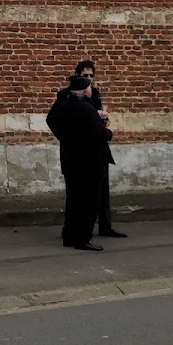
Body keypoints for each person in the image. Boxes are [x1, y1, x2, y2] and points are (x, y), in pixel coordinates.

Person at [47, 74, 113, 251]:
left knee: (74, 199)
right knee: (89, 201)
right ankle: (83, 239)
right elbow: (99, 133)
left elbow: (51, 120)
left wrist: (65, 138)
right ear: (84, 89)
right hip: (89, 161)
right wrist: (108, 130)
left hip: (70, 158)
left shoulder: (65, 106)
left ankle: (69, 236)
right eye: (89, 86)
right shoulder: (86, 108)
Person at [69, 60, 126, 239]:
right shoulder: (69, 95)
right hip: (83, 150)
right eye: (85, 75)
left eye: (91, 75)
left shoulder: (95, 94)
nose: (89, 79)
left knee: (103, 190)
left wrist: (103, 118)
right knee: (81, 192)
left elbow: (99, 117)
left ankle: (105, 226)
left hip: (99, 147)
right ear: (78, 76)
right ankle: (76, 229)